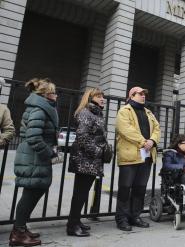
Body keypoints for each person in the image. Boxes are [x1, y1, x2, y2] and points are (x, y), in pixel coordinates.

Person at [10, 78, 58, 246]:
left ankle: (21, 228)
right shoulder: (39, 109)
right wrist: (50, 153)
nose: (56, 95)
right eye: (53, 92)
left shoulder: (42, 108)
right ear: (45, 95)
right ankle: (18, 234)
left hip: (36, 157)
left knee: (33, 192)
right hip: (34, 157)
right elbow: (33, 137)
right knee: (31, 194)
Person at [115, 87, 160, 231]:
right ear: (131, 95)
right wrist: (143, 142)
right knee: (125, 188)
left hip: (146, 156)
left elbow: (157, 129)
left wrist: (152, 141)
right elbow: (126, 129)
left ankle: (135, 216)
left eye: (144, 94)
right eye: (140, 94)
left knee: (140, 189)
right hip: (130, 156)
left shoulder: (149, 112)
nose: (143, 96)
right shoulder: (124, 111)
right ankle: (122, 218)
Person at [67, 88, 108, 237]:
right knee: (80, 193)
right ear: (90, 98)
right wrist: (98, 151)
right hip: (84, 159)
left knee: (82, 192)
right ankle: (72, 226)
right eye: (98, 96)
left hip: (90, 160)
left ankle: (76, 221)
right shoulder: (86, 113)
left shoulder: (96, 113)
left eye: (102, 96)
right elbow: (82, 136)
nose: (102, 98)